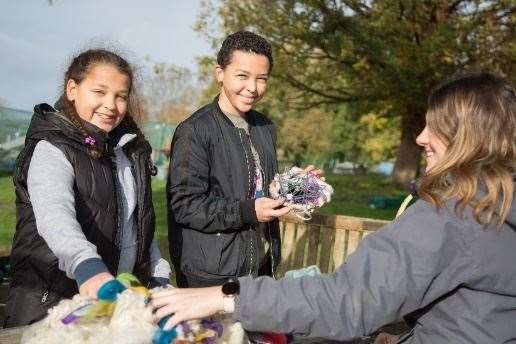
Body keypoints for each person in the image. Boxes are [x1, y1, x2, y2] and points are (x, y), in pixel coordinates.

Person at [152, 72, 516, 343]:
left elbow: (351, 300)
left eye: (434, 127)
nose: (420, 137)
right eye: (243, 76)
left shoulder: (451, 216)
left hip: (247, 277)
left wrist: (228, 297)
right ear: (220, 73)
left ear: (466, 138)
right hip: (212, 261)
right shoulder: (496, 205)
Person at [5, 49, 171, 327]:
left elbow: (141, 222)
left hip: (112, 306)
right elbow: (55, 215)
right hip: (52, 306)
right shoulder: (51, 148)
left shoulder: (129, 152)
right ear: (72, 89)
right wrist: (87, 267)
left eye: (121, 96)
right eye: (100, 92)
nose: (111, 104)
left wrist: (158, 274)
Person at [167, 31, 296, 288]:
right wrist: (249, 211)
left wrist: (299, 186)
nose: (252, 87)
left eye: (262, 79)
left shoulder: (265, 127)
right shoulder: (195, 130)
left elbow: (264, 185)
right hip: (211, 275)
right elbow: (185, 205)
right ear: (220, 73)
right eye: (242, 76)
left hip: (261, 266)